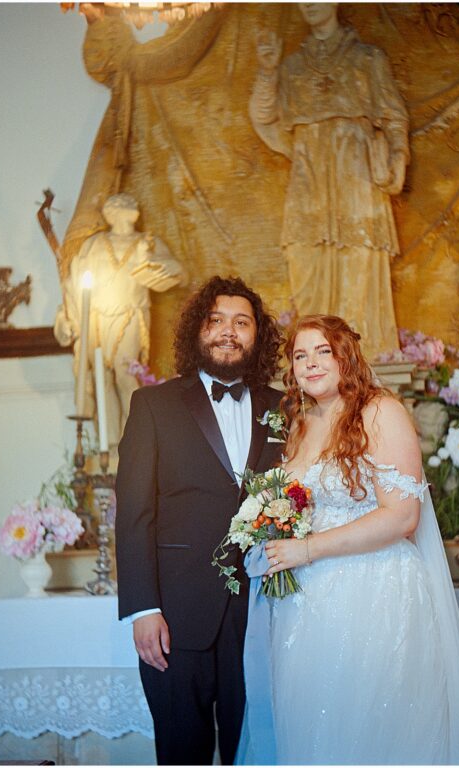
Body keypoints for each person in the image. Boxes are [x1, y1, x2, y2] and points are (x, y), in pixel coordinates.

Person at [237, 315, 459, 765]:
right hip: (303, 605)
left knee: (371, 727)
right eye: (299, 355)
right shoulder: (297, 422)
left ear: (345, 356)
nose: (310, 364)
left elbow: (402, 517)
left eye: (322, 352)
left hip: (373, 593)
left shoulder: (380, 411)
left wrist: (307, 548)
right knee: (313, 726)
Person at [115, 276, 284, 765]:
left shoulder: (284, 408)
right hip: (174, 615)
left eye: (241, 322)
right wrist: (142, 609)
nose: (228, 332)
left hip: (262, 616)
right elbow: (134, 513)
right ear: (198, 331)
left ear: (258, 336)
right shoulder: (153, 405)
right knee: (181, 752)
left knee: (254, 751)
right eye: (216, 321)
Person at [249, 3, 409, 361]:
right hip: (309, 186)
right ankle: (315, 364)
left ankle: (364, 371)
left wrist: (398, 155)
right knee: (307, 275)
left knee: (359, 280)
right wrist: (267, 70)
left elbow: (393, 115)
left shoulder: (367, 58)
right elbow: (265, 117)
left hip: (357, 183)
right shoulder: (291, 66)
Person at [54, 193, 186, 444]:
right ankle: (111, 443)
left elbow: (179, 272)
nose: (122, 211)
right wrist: (67, 317)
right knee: (102, 376)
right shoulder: (94, 244)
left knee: (125, 374)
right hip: (96, 318)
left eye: (127, 206)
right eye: (116, 207)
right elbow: (74, 284)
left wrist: (167, 267)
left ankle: (139, 438)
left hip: (129, 314)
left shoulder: (146, 242)